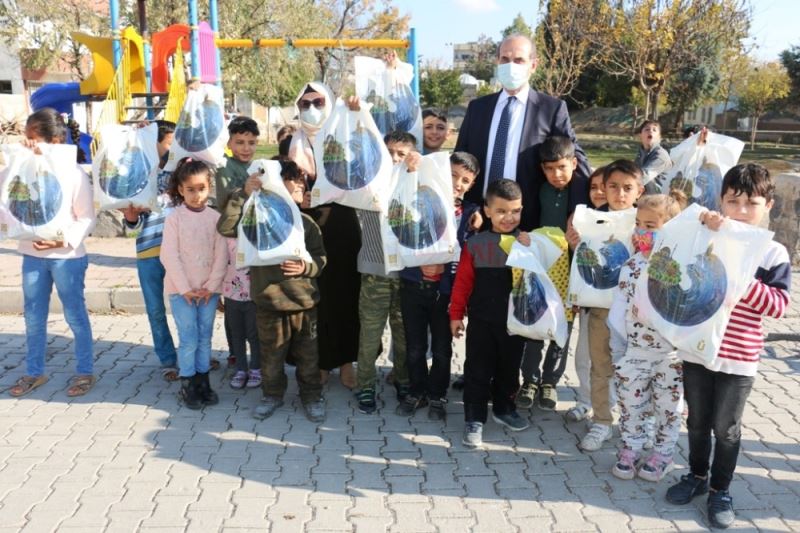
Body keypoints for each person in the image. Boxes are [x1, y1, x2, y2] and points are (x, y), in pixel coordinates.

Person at [666, 163, 791, 529]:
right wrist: (698, 231)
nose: (740, 210)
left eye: (751, 203)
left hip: (739, 360)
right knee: (698, 422)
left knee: (727, 428)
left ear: (768, 205)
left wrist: (739, 276)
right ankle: (696, 476)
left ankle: (721, 489)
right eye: (733, 200)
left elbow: (779, 306)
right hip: (698, 350)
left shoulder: (772, 253)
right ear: (720, 200)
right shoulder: (706, 235)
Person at [217, 158, 328, 423]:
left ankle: (312, 396)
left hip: (304, 303)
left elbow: (321, 259)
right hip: (269, 302)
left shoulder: (306, 225)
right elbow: (225, 227)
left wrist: (305, 267)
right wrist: (242, 194)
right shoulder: (255, 221)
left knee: (309, 357)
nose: (293, 196)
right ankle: (272, 395)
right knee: (271, 355)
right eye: (286, 190)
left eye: (296, 190)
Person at [455, 34, 590, 231]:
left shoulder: (551, 109)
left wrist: (577, 210)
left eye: (519, 60)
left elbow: (573, 158)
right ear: (497, 62)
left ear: (533, 65)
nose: (511, 65)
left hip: (529, 221)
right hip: (479, 218)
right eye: (505, 59)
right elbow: (461, 159)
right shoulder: (478, 108)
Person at [8, 108, 96, 398]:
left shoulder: (73, 174)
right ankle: (35, 372)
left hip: (67, 259)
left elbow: (86, 218)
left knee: (75, 315)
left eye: (33, 139)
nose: (29, 144)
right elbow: (5, 197)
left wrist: (62, 242)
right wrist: (19, 159)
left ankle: (85, 371)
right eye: (26, 139)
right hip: (32, 256)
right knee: (33, 316)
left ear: (55, 142)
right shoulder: (21, 168)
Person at [396, 151, 481, 420]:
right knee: (415, 347)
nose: (458, 183)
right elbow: (402, 234)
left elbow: (466, 254)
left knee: (443, 350)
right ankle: (417, 390)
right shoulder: (419, 200)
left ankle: (438, 394)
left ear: (472, 185)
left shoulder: (470, 214)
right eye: (453, 175)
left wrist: (477, 214)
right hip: (413, 286)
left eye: (465, 180)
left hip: (445, 293)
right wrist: (417, 262)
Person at [566, 160, 644, 451]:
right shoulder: (590, 219)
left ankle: (637, 422)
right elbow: (586, 261)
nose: (620, 194)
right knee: (600, 367)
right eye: (613, 187)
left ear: (639, 190)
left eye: (627, 188)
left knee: (635, 369)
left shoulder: (647, 219)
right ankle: (601, 421)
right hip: (600, 308)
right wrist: (576, 244)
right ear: (603, 189)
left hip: (638, 312)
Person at [451, 179, 532, 447]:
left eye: (515, 211)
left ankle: (504, 408)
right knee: (477, 369)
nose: (509, 218)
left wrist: (532, 246)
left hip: (515, 323)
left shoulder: (527, 242)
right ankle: (474, 417)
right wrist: (455, 315)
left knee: (509, 369)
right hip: (482, 322)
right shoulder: (475, 244)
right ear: (487, 211)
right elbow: (462, 283)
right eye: (501, 211)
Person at [607, 194, 683, 481]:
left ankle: (663, 453)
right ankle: (631, 448)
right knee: (631, 405)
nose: (641, 231)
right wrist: (619, 350)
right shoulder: (632, 265)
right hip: (635, 352)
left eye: (650, 225)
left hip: (670, 356)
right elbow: (620, 310)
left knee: (668, 408)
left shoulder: (678, 267)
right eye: (638, 223)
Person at [292, 83, 362, 390]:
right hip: (308, 229)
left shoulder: (343, 136)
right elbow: (288, 183)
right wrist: (298, 197)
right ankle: (319, 362)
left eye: (318, 101)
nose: (311, 108)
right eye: (305, 103)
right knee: (315, 298)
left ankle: (346, 362)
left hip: (344, 227)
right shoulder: (294, 144)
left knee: (346, 295)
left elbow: (360, 173)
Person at [354, 129, 419, 414]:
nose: (394, 159)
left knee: (404, 334)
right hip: (375, 273)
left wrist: (418, 171)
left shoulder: (418, 184)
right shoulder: (368, 184)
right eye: (389, 152)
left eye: (401, 154)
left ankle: (403, 380)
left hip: (407, 276)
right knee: (370, 334)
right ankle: (365, 384)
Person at [517, 136, 582, 412]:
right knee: (535, 324)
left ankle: (550, 382)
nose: (556, 175)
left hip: (569, 272)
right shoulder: (536, 191)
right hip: (540, 269)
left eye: (562, 168)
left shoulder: (581, 193)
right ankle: (529, 380)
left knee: (562, 328)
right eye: (549, 169)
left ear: (574, 164)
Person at [160, 158, 228, 409]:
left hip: (208, 292)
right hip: (182, 292)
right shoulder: (174, 218)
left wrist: (211, 286)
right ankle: (188, 383)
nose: (196, 195)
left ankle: (203, 382)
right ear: (180, 190)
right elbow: (169, 255)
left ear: (209, 187)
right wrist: (186, 288)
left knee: (205, 337)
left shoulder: (215, 218)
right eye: (190, 189)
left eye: (201, 188)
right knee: (189, 337)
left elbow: (221, 254)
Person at [121, 120, 182, 381]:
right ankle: (168, 360)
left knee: (185, 307)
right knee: (156, 310)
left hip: (180, 255)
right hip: (148, 254)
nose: (173, 147)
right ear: (153, 143)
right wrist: (132, 217)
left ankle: (193, 354)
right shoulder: (135, 177)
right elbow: (130, 231)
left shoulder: (181, 175)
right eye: (169, 142)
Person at [566, 167, 606, 422]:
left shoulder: (630, 220)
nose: (600, 192)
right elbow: (576, 261)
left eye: (607, 186)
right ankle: (584, 400)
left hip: (619, 306)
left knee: (610, 360)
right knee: (583, 355)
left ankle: (608, 405)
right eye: (594, 187)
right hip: (590, 302)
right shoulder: (582, 219)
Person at [222, 237, 261, 390]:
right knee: (236, 334)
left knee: (254, 334)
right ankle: (241, 369)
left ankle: (256, 368)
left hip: (253, 297)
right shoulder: (225, 238)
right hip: (231, 295)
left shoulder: (257, 236)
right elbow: (219, 264)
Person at [215, 116, 261, 212]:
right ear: (228, 143)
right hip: (231, 224)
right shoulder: (223, 164)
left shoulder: (257, 167)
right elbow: (226, 203)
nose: (246, 148)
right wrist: (245, 192)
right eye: (240, 142)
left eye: (251, 143)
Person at [634, 120, 672, 195]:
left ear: (659, 137)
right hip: (643, 198)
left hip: (658, 200)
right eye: (647, 129)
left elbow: (644, 177)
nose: (650, 131)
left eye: (654, 130)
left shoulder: (660, 156)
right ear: (640, 135)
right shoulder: (641, 154)